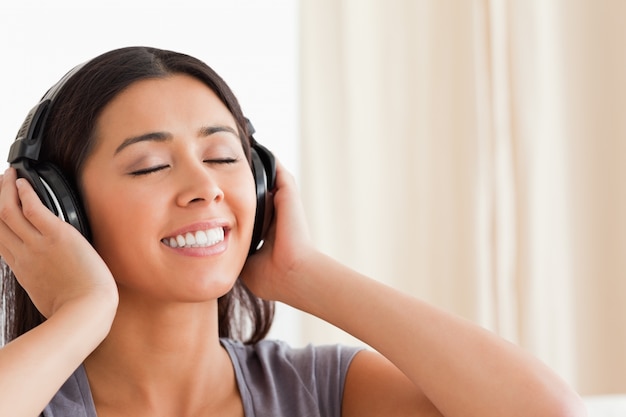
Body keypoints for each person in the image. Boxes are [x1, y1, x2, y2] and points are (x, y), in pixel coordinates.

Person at [0, 46, 585, 417]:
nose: (205, 186)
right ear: (58, 207)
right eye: (151, 165)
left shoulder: (314, 392)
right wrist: (82, 311)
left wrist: (304, 274)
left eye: (224, 157)